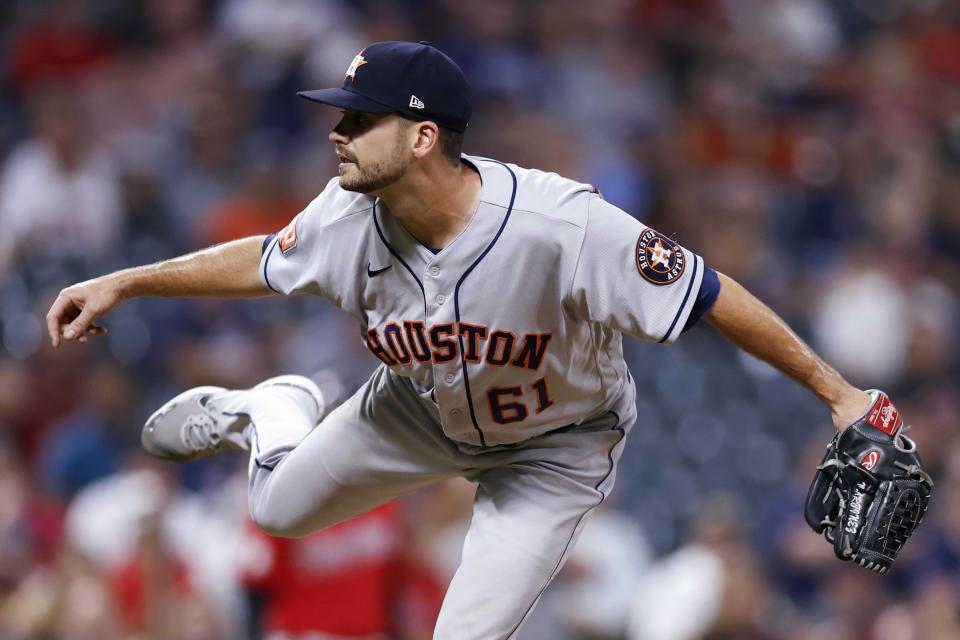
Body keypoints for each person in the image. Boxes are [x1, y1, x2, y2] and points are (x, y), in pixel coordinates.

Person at [46, 41, 872, 639]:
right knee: (275, 507)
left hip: (554, 450)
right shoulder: (346, 214)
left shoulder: (559, 226)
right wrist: (127, 279)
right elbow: (261, 262)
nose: (337, 132)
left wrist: (840, 395)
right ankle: (276, 409)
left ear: (422, 136)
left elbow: (711, 295)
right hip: (418, 409)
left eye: (359, 119)